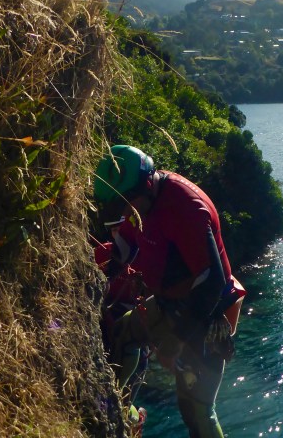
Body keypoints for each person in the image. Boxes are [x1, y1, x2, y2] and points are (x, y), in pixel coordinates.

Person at [93, 145, 245, 438]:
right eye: (119, 206)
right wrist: (102, 277)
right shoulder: (139, 204)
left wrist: (176, 342)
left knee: (198, 411)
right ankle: (119, 413)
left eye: (127, 204)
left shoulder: (185, 207)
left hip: (204, 318)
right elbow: (126, 246)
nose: (126, 212)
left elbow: (212, 281)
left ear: (147, 186)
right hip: (169, 303)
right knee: (122, 334)